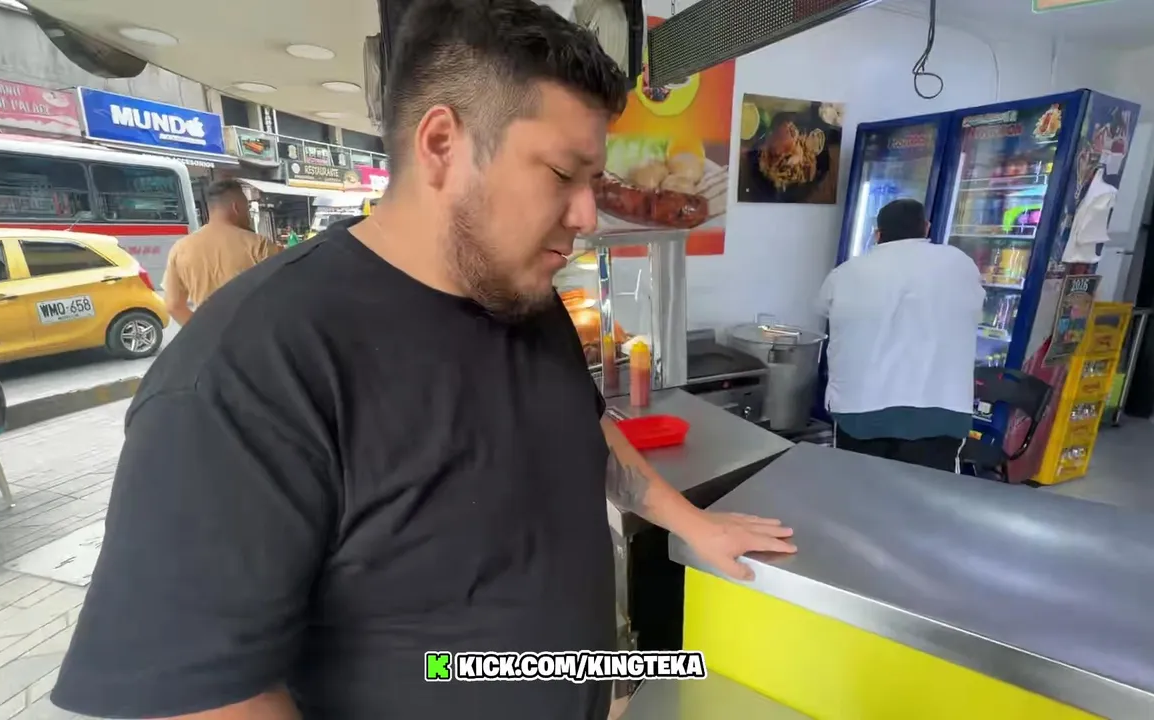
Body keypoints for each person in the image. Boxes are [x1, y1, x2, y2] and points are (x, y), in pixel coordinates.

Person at [50, 1, 796, 718]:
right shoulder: (251, 368)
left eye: (592, 182)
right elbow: (198, 697)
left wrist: (692, 524)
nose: (585, 214)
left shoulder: (526, 297)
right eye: (561, 175)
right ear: (441, 145)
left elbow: (584, 427)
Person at [818, 198, 985, 471]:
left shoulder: (846, 272)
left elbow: (823, 309)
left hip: (861, 409)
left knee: (857, 486)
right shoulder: (960, 263)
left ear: (877, 234)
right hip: (941, 409)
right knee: (927, 491)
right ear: (926, 228)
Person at [161, 179, 279, 325]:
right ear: (236, 208)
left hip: (209, 335)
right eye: (247, 208)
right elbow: (282, 296)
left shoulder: (180, 248)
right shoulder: (259, 245)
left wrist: (204, 331)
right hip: (253, 332)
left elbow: (173, 306)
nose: (248, 214)